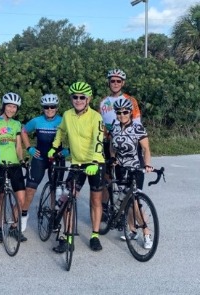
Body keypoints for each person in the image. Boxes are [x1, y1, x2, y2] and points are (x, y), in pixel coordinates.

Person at [49, 82, 105, 252]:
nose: (78, 100)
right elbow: (61, 131)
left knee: (96, 199)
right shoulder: (67, 115)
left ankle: (95, 235)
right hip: (76, 162)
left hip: (95, 162)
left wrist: (95, 162)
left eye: (82, 97)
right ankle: (68, 237)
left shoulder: (96, 117)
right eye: (75, 97)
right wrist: (54, 146)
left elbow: (98, 140)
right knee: (68, 197)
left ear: (88, 99)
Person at [109, 98, 154, 249]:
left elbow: (146, 149)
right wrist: (113, 158)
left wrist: (147, 164)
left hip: (136, 168)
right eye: (119, 112)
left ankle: (146, 232)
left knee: (135, 202)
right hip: (121, 169)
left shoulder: (137, 128)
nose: (122, 115)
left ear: (130, 112)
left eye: (125, 112)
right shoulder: (115, 128)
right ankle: (132, 229)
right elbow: (112, 146)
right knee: (125, 201)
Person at [20, 94, 67, 232]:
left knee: (55, 190)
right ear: (43, 108)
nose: (49, 109)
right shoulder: (37, 121)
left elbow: (76, 137)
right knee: (30, 189)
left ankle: (54, 217)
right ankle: (24, 216)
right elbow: (23, 131)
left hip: (56, 158)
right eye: (46, 107)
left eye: (52, 107)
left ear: (57, 108)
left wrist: (66, 152)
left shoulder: (63, 121)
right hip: (40, 158)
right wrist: (29, 148)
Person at [0, 92, 27, 243]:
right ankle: (0, 229)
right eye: (9, 106)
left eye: (14, 107)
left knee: (21, 199)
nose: (11, 109)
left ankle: (14, 227)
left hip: (15, 165)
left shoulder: (16, 124)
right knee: (1, 197)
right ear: (4, 106)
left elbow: (18, 146)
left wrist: (22, 160)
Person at [99, 68, 141, 218]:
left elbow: (137, 123)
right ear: (109, 82)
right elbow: (100, 124)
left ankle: (126, 211)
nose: (115, 83)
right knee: (107, 177)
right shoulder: (103, 101)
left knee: (125, 178)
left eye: (118, 81)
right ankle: (105, 208)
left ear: (122, 83)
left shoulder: (131, 100)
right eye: (112, 81)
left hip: (126, 144)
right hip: (108, 143)